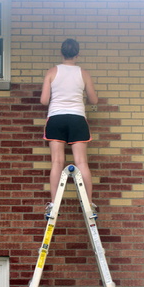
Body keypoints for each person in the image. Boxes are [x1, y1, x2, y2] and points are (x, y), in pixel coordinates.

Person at [40, 38, 98, 219]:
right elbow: (94, 100)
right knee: (82, 162)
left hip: (56, 118)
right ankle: (88, 204)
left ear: (61, 53)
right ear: (78, 54)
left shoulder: (52, 72)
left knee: (57, 162)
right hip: (77, 118)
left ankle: (53, 204)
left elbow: (43, 100)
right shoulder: (84, 74)